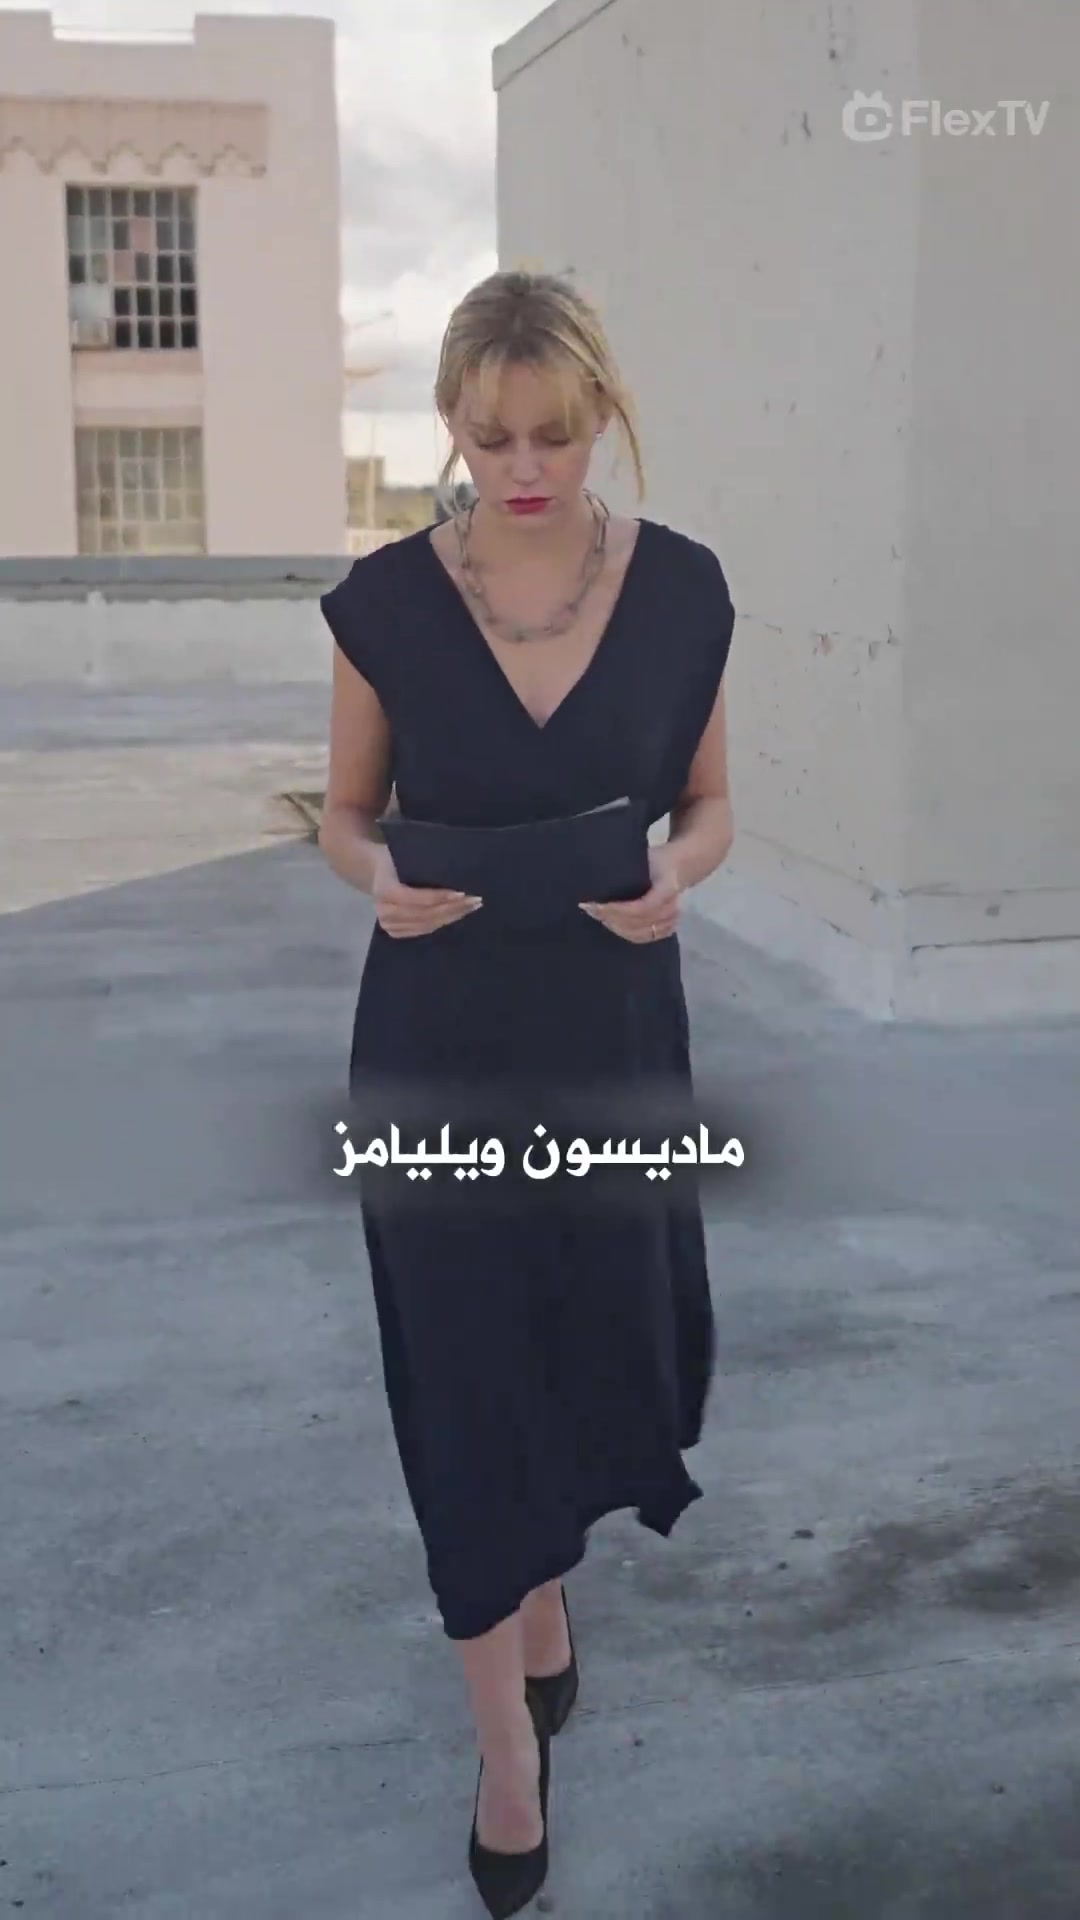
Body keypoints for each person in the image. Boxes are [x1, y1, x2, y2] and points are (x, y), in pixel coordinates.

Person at [318, 268, 735, 1915]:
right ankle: (506, 1753)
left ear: (601, 414)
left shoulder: (685, 591)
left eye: (555, 433)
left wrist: (677, 874)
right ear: (449, 425)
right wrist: (374, 877)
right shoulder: (384, 602)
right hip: (434, 1044)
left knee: (583, 1347)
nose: (524, 467)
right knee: (466, 1382)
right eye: (491, 438)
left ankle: (547, 1595)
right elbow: (346, 813)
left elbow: (709, 806)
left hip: (612, 1043)